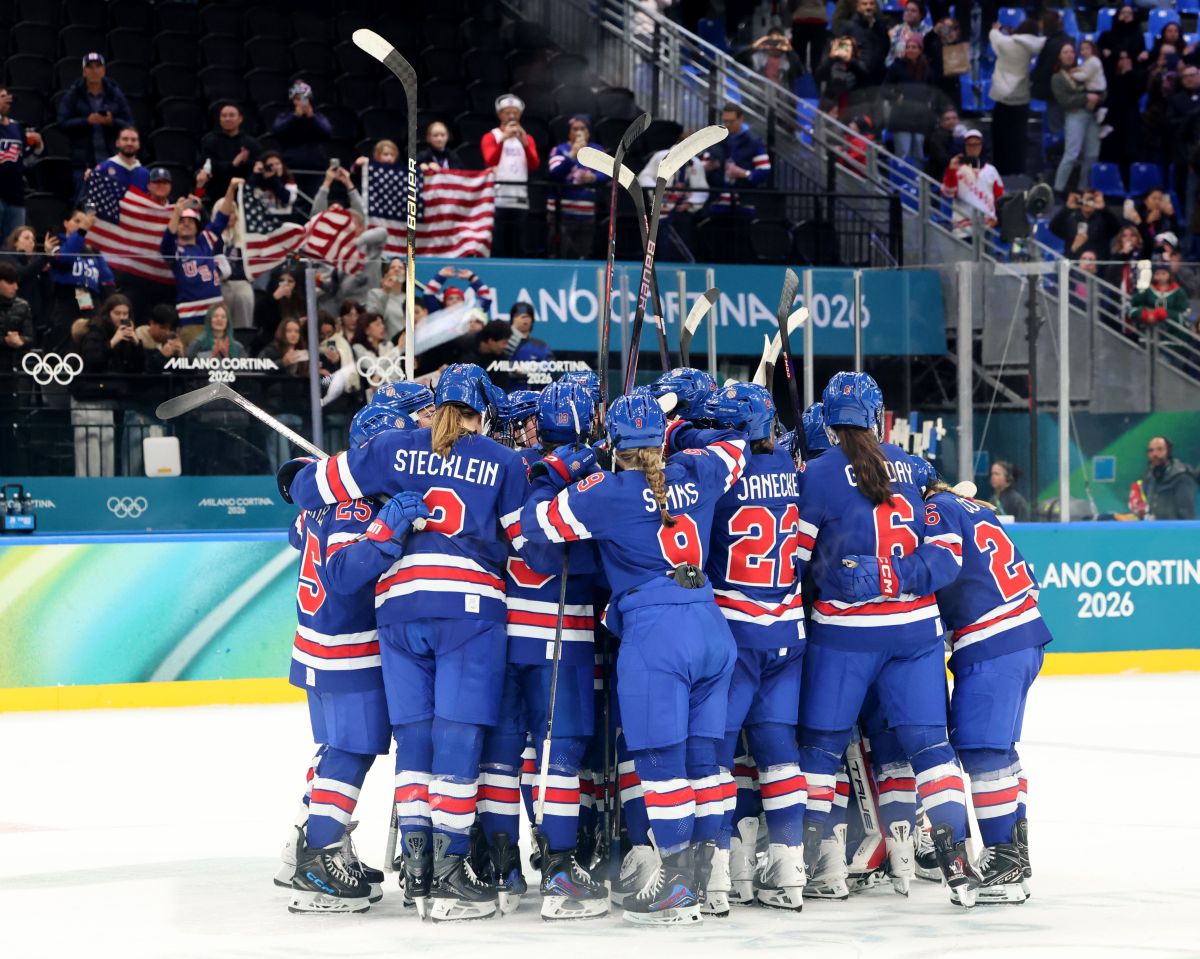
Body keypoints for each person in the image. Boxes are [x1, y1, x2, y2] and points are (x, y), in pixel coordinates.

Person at [279, 363, 530, 923]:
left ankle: (417, 869)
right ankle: (448, 874)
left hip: (397, 610)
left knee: (415, 740)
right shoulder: (505, 461)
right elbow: (527, 543)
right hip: (468, 608)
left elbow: (304, 489)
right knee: (459, 738)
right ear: (482, 412)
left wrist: (332, 477)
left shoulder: (391, 450)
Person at [518, 391, 748, 924]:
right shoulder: (696, 470)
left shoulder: (608, 490)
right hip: (711, 625)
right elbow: (735, 446)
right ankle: (702, 881)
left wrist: (553, 474)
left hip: (655, 632)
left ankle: (674, 887)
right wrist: (682, 427)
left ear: (615, 443)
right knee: (705, 761)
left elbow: (537, 526)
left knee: (661, 764)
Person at [796, 371, 980, 907]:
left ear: (829, 421)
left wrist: (864, 577)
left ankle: (813, 865)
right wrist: (896, 577)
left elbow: (799, 563)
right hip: (916, 632)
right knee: (931, 750)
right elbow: (946, 557)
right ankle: (958, 864)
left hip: (844, 637)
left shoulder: (820, 475)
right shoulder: (915, 467)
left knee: (820, 750)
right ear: (878, 417)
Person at [838, 481, 1053, 903]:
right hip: (1022, 632)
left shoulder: (935, 511)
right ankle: (1013, 856)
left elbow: (941, 565)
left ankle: (1004, 865)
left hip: (992, 640)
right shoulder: (969, 505)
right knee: (1002, 753)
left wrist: (885, 572)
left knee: (982, 753)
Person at [273, 406, 433, 914]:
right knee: (350, 753)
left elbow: (298, 534)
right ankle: (316, 860)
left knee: (335, 749)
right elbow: (346, 574)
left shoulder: (328, 502)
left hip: (315, 646)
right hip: (348, 648)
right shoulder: (355, 510)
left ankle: (309, 841)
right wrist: (383, 530)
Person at [665, 382, 808, 913]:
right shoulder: (791, 468)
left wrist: (684, 424)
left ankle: (718, 874)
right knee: (777, 753)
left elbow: (680, 445)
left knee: (715, 754)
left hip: (733, 631)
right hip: (787, 629)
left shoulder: (717, 470)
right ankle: (790, 866)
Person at [475, 380, 610, 920]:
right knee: (560, 757)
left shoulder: (506, 470)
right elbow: (595, 565)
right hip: (563, 637)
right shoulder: (590, 480)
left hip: (504, 636)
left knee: (504, 757)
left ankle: (501, 870)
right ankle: (558, 872)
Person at [69, 293, 144, 477]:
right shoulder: (94, 332)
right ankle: (87, 494)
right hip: (87, 400)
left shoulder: (128, 337)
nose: (121, 317)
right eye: (117, 313)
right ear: (108, 313)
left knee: (107, 451)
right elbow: (92, 361)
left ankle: (105, 493)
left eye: (125, 313)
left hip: (110, 401)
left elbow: (138, 368)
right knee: (90, 452)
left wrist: (136, 344)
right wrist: (112, 342)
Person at [160, 178, 241, 344]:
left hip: (217, 316)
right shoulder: (174, 250)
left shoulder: (205, 241)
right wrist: (177, 212)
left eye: (191, 221)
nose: (186, 224)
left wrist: (231, 188)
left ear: (198, 226)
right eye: (182, 222)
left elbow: (222, 217)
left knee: (221, 362)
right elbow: (166, 243)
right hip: (191, 320)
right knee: (194, 364)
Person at [56, 53, 134, 190]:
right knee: (84, 204)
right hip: (83, 161)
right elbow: (62, 123)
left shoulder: (115, 93)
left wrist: (112, 122)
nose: (94, 71)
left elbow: (129, 124)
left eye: (98, 67)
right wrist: (86, 121)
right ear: (84, 71)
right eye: (90, 67)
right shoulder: (74, 94)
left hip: (112, 158)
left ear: (104, 70)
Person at [480, 94, 541, 258]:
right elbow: (490, 159)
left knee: (518, 245)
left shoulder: (527, 138)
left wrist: (525, 144)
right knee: (498, 244)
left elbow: (535, 164)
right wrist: (503, 139)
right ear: (500, 114)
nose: (512, 116)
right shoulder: (491, 136)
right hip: (497, 198)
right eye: (507, 112)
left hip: (520, 199)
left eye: (515, 113)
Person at [48, 207, 115, 350]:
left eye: (84, 222)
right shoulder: (56, 244)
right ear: (66, 223)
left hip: (90, 300)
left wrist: (110, 304)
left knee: (91, 337)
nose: (81, 224)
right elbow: (64, 259)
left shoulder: (93, 251)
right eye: (77, 221)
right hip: (66, 299)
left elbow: (107, 280)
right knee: (65, 340)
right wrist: (82, 230)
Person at [988, 19, 1045, 177]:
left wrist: (996, 29)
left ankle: (1001, 170)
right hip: (1022, 99)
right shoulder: (1036, 45)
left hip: (1004, 97)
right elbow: (1042, 40)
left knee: (1000, 135)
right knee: (1018, 138)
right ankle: (1017, 171)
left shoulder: (1006, 42)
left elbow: (994, 37)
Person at [545, 115, 607, 260]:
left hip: (586, 214)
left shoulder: (596, 150)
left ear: (588, 132)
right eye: (575, 129)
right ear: (569, 133)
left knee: (582, 256)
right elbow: (554, 174)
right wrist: (573, 155)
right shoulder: (559, 150)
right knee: (559, 254)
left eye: (582, 128)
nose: (579, 132)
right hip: (560, 214)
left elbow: (609, 174)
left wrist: (593, 177)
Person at [1052, 43, 1102, 195]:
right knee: (1072, 154)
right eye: (1065, 52)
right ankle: (1058, 189)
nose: (1069, 54)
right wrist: (1086, 97)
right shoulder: (1057, 78)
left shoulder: (1084, 71)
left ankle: (1083, 187)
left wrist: (1096, 99)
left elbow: (1100, 89)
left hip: (1092, 115)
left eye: (1071, 51)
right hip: (1074, 116)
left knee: (1092, 154)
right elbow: (1064, 100)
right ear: (1060, 56)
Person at [883, 38, 943, 164]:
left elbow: (934, 90)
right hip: (901, 117)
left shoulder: (927, 69)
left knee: (918, 153)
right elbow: (884, 89)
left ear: (920, 50)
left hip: (920, 118)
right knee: (904, 153)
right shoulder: (897, 66)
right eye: (908, 47)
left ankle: (917, 182)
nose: (910, 50)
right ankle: (902, 182)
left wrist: (930, 102)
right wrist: (896, 98)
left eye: (914, 47)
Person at [271, 81, 332, 201]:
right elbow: (277, 130)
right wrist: (296, 116)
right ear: (292, 100)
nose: (301, 102)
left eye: (304, 99)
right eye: (297, 99)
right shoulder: (285, 115)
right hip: (291, 166)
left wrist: (311, 117)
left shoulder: (318, 116)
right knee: (293, 200)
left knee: (314, 200)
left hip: (315, 167)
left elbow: (327, 132)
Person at [940, 130, 1003, 239]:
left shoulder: (991, 170)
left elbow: (1000, 197)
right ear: (965, 146)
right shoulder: (956, 169)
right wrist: (951, 170)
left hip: (987, 227)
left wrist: (998, 218)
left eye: (976, 144)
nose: (973, 148)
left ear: (981, 146)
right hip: (963, 229)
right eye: (969, 145)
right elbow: (948, 193)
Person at [196, 103, 261, 202]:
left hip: (243, 194)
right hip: (215, 194)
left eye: (231, 115)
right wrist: (233, 164)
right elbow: (208, 168)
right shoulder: (209, 141)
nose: (227, 118)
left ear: (240, 119)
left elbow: (254, 169)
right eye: (224, 115)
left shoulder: (251, 143)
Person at [0, 87, 43, 236]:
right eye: (1, 96)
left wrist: (37, 148)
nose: (7, 100)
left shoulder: (16, 127)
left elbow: (24, 162)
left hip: (16, 195)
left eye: (7, 97)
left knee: (14, 246)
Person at [1131, 436, 1196, 520]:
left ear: (1168, 452)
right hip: (1153, 530)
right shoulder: (1149, 476)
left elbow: (1187, 516)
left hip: (1174, 531)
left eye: (1160, 449)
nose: (1155, 454)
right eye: (1151, 450)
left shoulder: (1182, 477)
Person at [3, 225, 52, 336]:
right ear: (15, 242)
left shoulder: (35, 263)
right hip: (13, 316)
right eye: (26, 238)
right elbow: (20, 275)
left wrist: (45, 273)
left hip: (34, 318)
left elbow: (47, 292)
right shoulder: (6, 257)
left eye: (33, 240)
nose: (31, 242)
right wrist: (44, 256)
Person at [1049, 189, 1119, 260]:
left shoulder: (1104, 220)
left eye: (1091, 199)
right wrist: (1067, 208)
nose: (1087, 203)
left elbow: (1116, 228)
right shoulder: (1071, 220)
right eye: (1085, 200)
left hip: (1098, 265)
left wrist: (1103, 209)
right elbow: (1053, 227)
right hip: (1074, 262)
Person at [815, 35, 871, 119]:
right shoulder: (832, 62)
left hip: (852, 106)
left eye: (848, 46)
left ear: (853, 49)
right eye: (842, 45)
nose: (845, 48)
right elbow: (819, 75)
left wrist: (850, 60)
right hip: (831, 105)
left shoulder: (857, 63)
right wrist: (831, 58)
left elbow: (865, 75)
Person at [1126, 260, 1190, 331]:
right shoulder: (1148, 291)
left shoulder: (1178, 292)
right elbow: (1130, 305)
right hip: (1148, 331)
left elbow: (1185, 313)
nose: (1160, 277)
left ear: (1169, 275)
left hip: (1172, 332)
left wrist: (1164, 314)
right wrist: (1145, 315)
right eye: (1157, 274)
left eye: (1163, 273)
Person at [836, 0, 889, 84]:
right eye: (864, 4)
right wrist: (858, 65)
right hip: (855, 79)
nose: (868, 7)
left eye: (872, 4)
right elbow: (842, 53)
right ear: (858, 7)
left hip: (877, 79)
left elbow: (886, 48)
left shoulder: (881, 27)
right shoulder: (847, 28)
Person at [89, 125, 147, 193]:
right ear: (117, 143)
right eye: (125, 139)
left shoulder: (145, 173)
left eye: (133, 140)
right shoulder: (104, 168)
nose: (129, 143)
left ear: (139, 144)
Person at [423, 265, 493, 315]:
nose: (455, 301)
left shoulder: (470, 316)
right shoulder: (436, 313)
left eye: (459, 299)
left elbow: (486, 297)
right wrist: (441, 276)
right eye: (450, 299)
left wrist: (472, 278)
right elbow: (428, 293)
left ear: (464, 302)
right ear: (444, 302)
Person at [136, 302, 184, 373]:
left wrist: (181, 358)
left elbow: (186, 376)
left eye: (170, 329)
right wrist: (161, 356)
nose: (167, 332)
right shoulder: (137, 342)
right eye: (163, 328)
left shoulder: (173, 341)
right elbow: (142, 372)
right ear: (152, 323)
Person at [789, 0, 829, 73]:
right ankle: (815, 79)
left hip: (800, 19)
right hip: (819, 19)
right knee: (817, 55)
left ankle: (800, 78)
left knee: (799, 54)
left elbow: (791, 4)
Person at [924, 106, 963, 180]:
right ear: (941, 123)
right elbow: (943, 159)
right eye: (947, 119)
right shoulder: (937, 137)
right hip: (939, 177)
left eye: (954, 118)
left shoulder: (962, 135)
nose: (952, 121)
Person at [886, 1, 929, 67]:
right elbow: (890, 55)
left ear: (921, 15)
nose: (908, 13)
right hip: (898, 70)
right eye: (906, 10)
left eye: (913, 11)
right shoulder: (896, 30)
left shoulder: (928, 32)